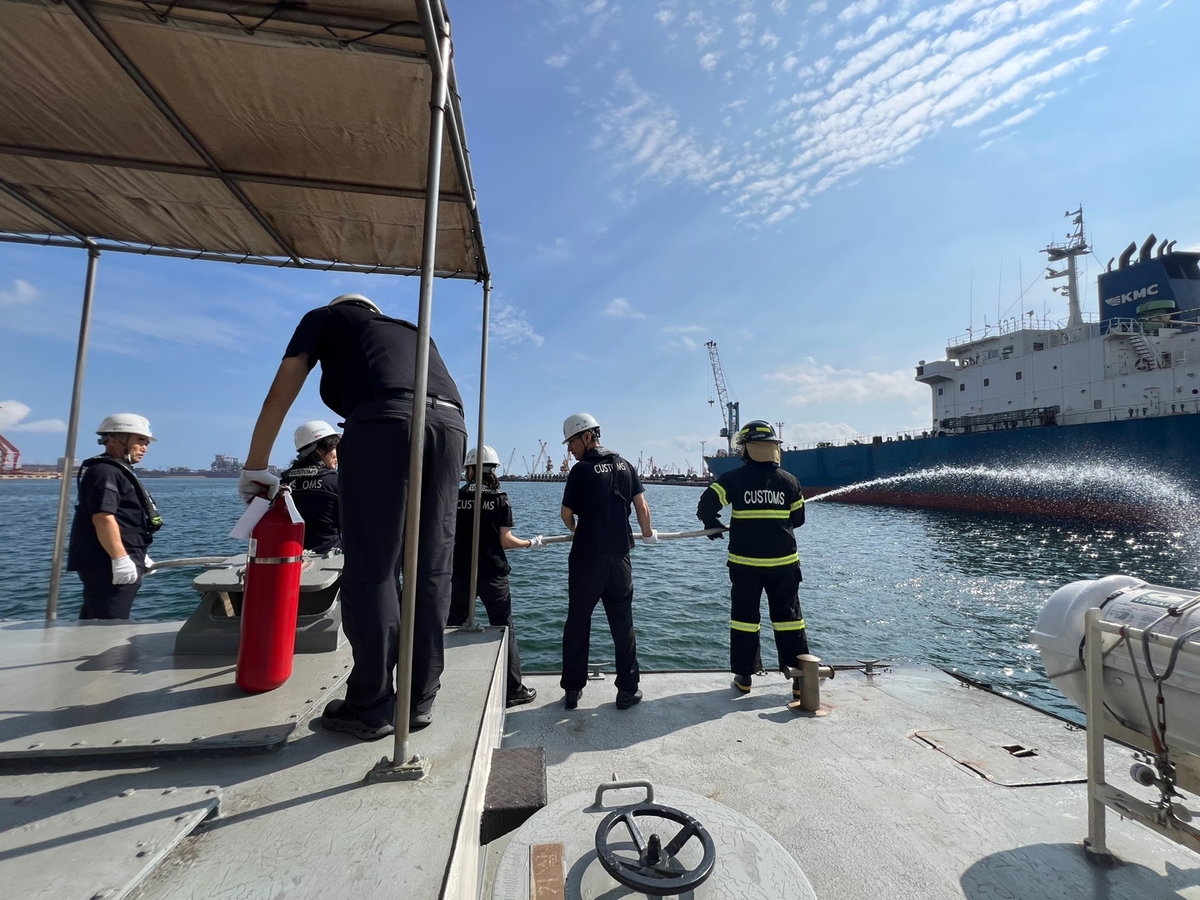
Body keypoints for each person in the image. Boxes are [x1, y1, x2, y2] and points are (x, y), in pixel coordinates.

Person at [239, 293, 466, 740]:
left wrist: (254, 466)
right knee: (432, 566)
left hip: (384, 420)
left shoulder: (326, 317)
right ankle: (420, 698)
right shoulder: (410, 330)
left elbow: (279, 393)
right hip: (452, 426)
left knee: (373, 567)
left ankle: (371, 703)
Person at [696, 420, 809, 696]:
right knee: (790, 619)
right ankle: (798, 680)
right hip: (784, 566)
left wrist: (712, 524)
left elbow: (706, 504)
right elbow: (799, 519)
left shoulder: (733, 480)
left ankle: (744, 676)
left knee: (745, 619)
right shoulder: (789, 481)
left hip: (745, 566)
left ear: (747, 449)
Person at [556, 412, 655, 710]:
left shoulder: (581, 471)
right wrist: (648, 535)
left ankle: (573, 690)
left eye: (571, 443)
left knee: (578, 621)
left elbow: (565, 515)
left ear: (587, 437)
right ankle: (627, 690)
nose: (570, 450)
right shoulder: (626, 465)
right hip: (621, 557)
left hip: (587, 557)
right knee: (623, 624)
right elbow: (642, 507)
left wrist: (578, 532)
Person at [448, 444, 537, 707]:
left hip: (459, 572)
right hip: (492, 574)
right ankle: (513, 690)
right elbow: (506, 540)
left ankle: (442, 682)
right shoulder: (500, 499)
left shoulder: (454, 496)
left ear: (471, 470)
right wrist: (530, 543)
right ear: (493, 470)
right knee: (504, 627)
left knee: (451, 625)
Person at [67, 414, 163, 619]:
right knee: (109, 622)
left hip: (122, 554)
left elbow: (124, 518)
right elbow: (103, 517)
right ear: (114, 440)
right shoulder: (105, 472)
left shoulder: (118, 471)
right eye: (139, 441)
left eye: (146, 442)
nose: (144, 447)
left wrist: (137, 551)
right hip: (107, 563)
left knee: (97, 618)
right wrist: (120, 558)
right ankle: (104, 654)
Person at [279, 420, 342, 553]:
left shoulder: (284, 482)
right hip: (329, 554)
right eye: (335, 448)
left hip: (291, 554)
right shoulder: (335, 482)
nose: (339, 454)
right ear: (319, 449)